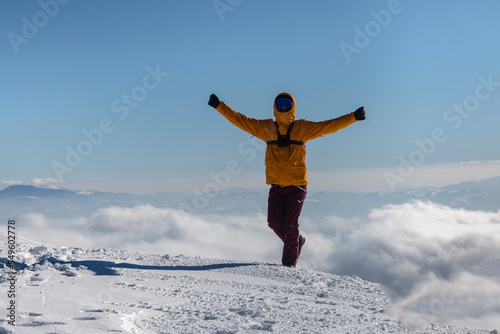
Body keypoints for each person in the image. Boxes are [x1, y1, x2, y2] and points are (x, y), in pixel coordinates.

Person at [208, 92, 366, 267]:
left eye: (287, 104)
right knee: (274, 223)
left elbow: (328, 126)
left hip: (296, 186)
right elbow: (240, 120)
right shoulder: (266, 129)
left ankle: (288, 266)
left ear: (293, 107)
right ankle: (297, 241)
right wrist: (219, 106)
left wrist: (353, 117)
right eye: (280, 104)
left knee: (290, 224)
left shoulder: (302, 129)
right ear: (275, 107)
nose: (283, 108)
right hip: (276, 187)